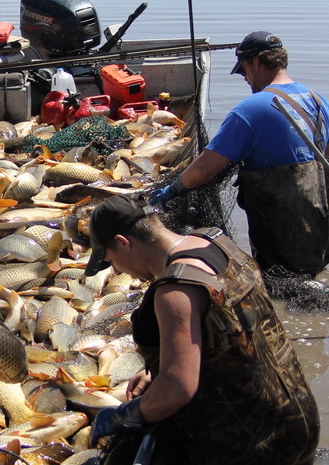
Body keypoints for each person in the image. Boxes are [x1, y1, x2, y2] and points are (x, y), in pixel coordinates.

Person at [84, 194, 319, 465]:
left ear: (124, 243)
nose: (116, 269)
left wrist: (123, 416)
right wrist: (164, 366)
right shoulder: (215, 241)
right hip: (300, 418)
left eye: (111, 261)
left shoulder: (175, 289)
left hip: (256, 443)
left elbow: (178, 389)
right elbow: (237, 330)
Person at [151, 31, 329, 277]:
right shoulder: (318, 102)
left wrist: (173, 189)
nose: (244, 78)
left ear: (255, 62)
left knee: (278, 284)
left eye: (243, 70)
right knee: (312, 279)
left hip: (278, 234)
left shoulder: (251, 110)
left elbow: (204, 169)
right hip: (320, 229)